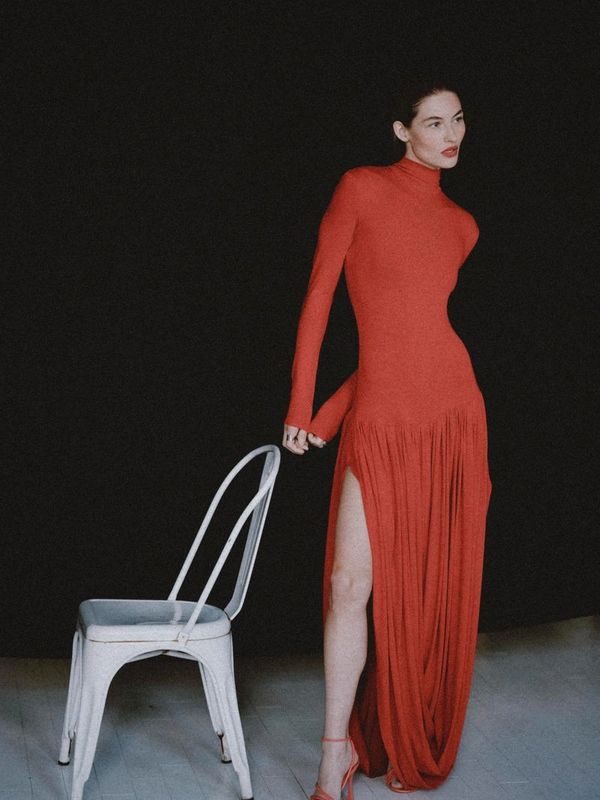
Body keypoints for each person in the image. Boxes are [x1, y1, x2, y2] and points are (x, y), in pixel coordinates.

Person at [282, 82, 493, 798]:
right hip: (383, 418)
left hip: (452, 415)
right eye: (433, 122)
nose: (450, 134)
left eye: (457, 120)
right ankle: (333, 752)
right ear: (402, 129)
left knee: (424, 588)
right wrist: (305, 407)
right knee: (350, 585)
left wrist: (326, 415)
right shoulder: (361, 189)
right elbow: (319, 296)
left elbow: (415, 334)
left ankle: (410, 733)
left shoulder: (462, 226)